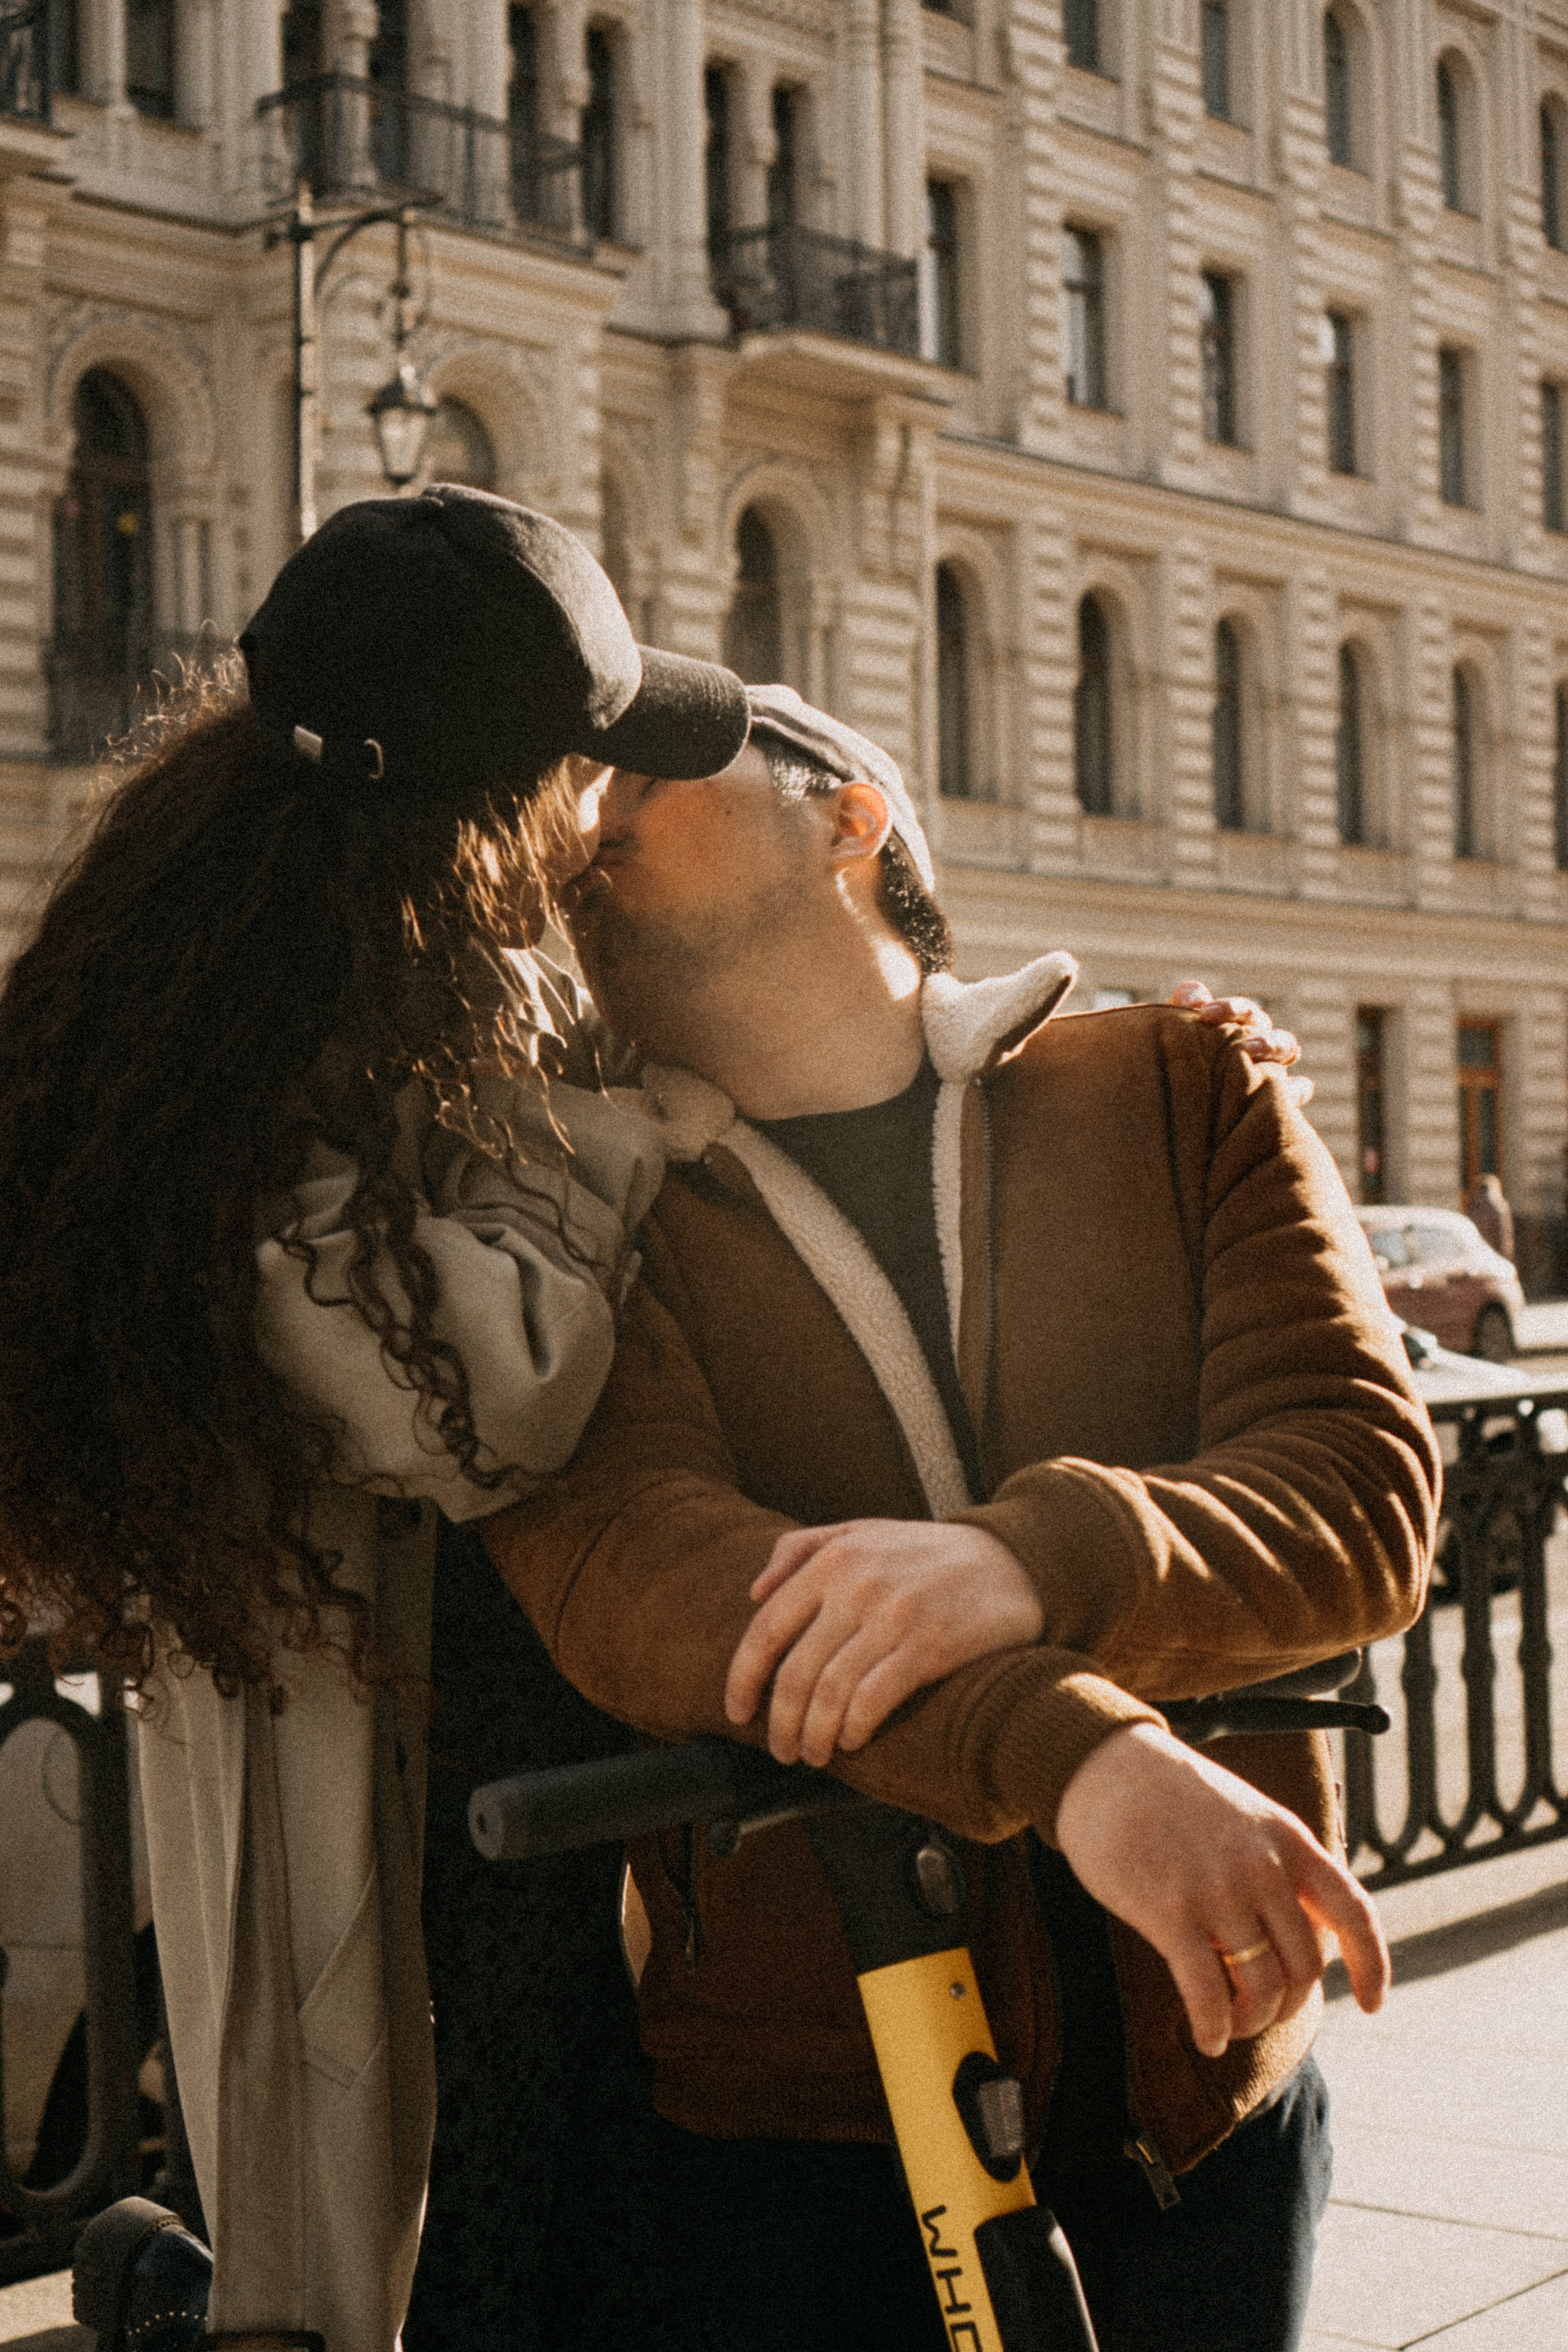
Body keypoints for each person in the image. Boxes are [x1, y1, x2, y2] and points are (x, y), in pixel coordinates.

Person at [484, 687, 1441, 2352]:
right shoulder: (597, 1213)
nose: (595, 809)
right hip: (800, 2134)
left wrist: (1028, 1561)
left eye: (653, 766)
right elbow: (637, 1569)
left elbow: (1362, 1484)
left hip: (1200, 2085)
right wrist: (1070, 1751)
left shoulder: (1180, 1085)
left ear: (852, 814)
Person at [0, 486, 750, 2352]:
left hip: (430, 1741)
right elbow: (473, 1409)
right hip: (410, 1770)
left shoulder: (236, 964)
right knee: (427, 2234)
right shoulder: (308, 1045)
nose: (607, 816)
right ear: (486, 815)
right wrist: (630, 1122)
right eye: (585, 772)